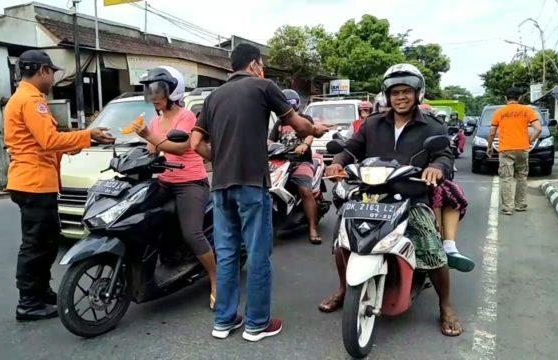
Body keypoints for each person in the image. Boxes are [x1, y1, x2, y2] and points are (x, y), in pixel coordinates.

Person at [190, 43, 329, 342]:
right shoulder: (263, 86)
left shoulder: (213, 96)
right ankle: (256, 324)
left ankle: (224, 321)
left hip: (220, 187)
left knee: (226, 254)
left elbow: (194, 143)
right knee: (257, 254)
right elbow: (299, 124)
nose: (263, 68)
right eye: (262, 64)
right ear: (254, 64)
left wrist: (220, 157)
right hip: (252, 184)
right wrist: (316, 130)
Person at [321, 63, 463, 336]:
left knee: (431, 249)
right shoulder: (372, 124)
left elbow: (444, 155)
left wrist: (437, 167)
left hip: (411, 196)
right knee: (342, 242)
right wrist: (336, 162)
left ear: (417, 94)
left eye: (406, 91)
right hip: (370, 195)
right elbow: (351, 150)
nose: (401, 97)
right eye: (395, 92)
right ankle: (343, 289)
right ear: (387, 96)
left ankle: (445, 306)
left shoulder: (432, 126)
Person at [4, 50, 115, 321]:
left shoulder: (24, 98)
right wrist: (87, 136)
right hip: (34, 182)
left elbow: (45, 142)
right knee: (37, 245)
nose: (53, 77)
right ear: (42, 70)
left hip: (32, 180)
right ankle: (29, 302)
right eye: (52, 71)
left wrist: (77, 144)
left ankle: (40, 293)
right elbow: (48, 141)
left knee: (46, 241)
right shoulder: (31, 100)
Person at [131, 66, 218, 310]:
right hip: (165, 181)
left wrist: (150, 136)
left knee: (192, 233)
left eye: (158, 89)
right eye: (151, 89)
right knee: (142, 217)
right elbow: (153, 150)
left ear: (172, 91)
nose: (154, 94)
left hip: (190, 182)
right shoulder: (156, 120)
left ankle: (215, 278)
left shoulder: (186, 117)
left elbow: (180, 148)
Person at [267, 89, 322, 244]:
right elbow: (271, 141)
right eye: (286, 103)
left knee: (305, 190)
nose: (289, 106)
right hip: (280, 162)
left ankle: (313, 228)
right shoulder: (279, 123)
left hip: (301, 161)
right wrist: (268, 146)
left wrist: (304, 144)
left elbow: (311, 133)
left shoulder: (304, 118)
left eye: (292, 103)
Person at [487, 87, 542, 215]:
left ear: (506, 98)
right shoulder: (527, 110)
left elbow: (492, 132)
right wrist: (530, 141)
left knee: (507, 178)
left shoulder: (500, 112)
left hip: (506, 149)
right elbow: (538, 129)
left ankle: (507, 207)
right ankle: (520, 204)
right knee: (522, 176)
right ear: (520, 98)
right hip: (522, 148)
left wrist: (489, 146)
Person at [432, 177, 475, 272]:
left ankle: (448, 247)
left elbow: (444, 162)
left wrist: (436, 167)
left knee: (449, 190)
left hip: (425, 181)